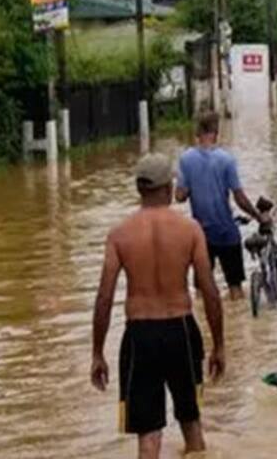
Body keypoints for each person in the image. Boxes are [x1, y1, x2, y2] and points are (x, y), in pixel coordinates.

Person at [92, 152, 226, 457]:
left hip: (140, 335)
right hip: (180, 330)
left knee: (148, 435)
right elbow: (210, 291)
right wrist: (219, 345)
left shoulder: (118, 235)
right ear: (169, 188)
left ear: (139, 189)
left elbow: (104, 298)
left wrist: (97, 353)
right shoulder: (190, 230)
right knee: (192, 424)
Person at [174, 113, 261, 300]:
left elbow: (179, 196)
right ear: (215, 133)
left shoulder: (186, 160)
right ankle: (238, 326)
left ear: (197, 133)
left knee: (200, 290)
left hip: (200, 235)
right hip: (227, 232)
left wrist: (190, 184)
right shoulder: (227, 160)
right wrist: (258, 215)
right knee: (235, 287)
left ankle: (204, 326)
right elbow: (239, 198)